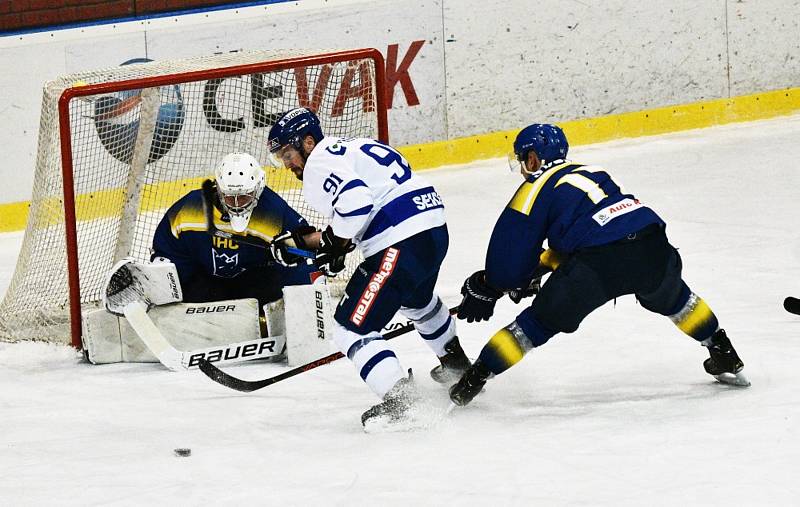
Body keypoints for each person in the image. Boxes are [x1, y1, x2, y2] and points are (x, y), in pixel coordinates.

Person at [449, 123, 749, 407]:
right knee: (679, 300)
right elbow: (595, 229)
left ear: (532, 157)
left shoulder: (536, 186)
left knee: (535, 325)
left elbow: (509, 259)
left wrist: (491, 285)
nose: (523, 170)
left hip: (598, 265)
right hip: (651, 243)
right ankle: (722, 350)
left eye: (522, 161)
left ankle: (472, 381)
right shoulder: (592, 172)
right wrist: (536, 270)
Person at [266, 107, 469, 426]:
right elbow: (357, 214)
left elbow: (357, 204)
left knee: (350, 328)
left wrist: (334, 245)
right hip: (432, 228)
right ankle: (458, 368)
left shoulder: (319, 161)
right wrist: (311, 244)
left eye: (288, 154)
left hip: (399, 240)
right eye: (281, 158)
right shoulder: (354, 146)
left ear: (307, 141)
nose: (287, 164)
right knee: (417, 302)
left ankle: (405, 405)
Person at [151, 151, 319, 308]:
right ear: (219, 189)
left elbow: (302, 258)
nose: (237, 205)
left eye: (244, 196)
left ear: (258, 189)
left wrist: (304, 301)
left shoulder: (273, 213)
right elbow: (169, 251)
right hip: (208, 285)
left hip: (252, 286)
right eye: (230, 198)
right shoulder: (189, 209)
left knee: (276, 282)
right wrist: (162, 285)